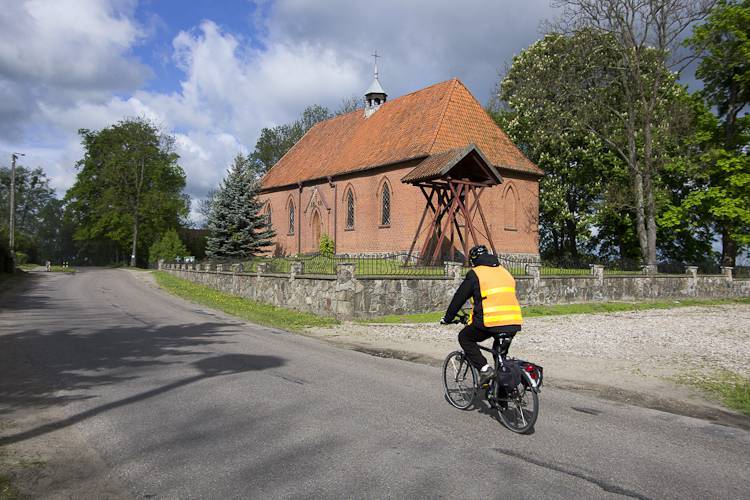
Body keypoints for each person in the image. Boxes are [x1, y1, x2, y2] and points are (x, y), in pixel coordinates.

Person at [441, 245, 523, 386]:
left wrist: (448, 318)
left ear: (473, 260)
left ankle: (485, 370)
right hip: (513, 322)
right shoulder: (504, 271)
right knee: (499, 356)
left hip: (491, 321)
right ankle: (501, 393)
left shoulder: (476, 274)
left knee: (465, 337)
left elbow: (459, 298)